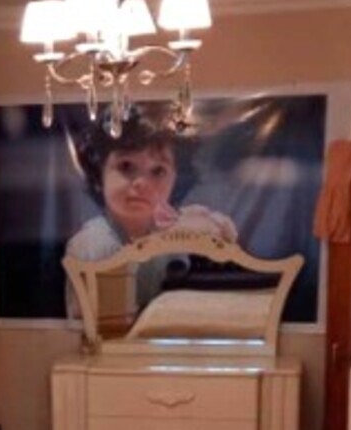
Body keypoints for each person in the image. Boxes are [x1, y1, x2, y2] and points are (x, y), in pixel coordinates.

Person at [63, 111, 236, 316]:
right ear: (99, 173)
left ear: (176, 179)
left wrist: (212, 230)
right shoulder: (92, 242)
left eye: (158, 171)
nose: (141, 183)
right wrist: (174, 235)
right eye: (126, 166)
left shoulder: (172, 225)